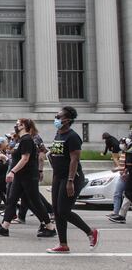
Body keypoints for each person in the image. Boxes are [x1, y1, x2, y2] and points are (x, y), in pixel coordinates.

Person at [0, 118, 56, 238]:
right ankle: (4, 227)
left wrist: (13, 172)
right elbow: (14, 156)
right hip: (20, 177)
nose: (16, 126)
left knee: (35, 201)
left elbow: (25, 159)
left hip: (28, 176)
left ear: (25, 126)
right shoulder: (20, 140)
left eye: (18, 124)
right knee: (11, 200)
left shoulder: (27, 140)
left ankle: (50, 227)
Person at [46, 106, 99, 253]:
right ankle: (63, 244)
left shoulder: (73, 136)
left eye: (59, 116)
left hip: (71, 178)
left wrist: (70, 181)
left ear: (67, 120)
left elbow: (74, 160)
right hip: (58, 176)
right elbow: (57, 154)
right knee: (56, 211)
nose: (56, 119)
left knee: (64, 210)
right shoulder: (59, 133)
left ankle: (90, 232)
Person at [109, 138, 132, 223]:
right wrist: (126, 171)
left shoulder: (129, 151)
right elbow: (127, 166)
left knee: (127, 194)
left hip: (129, 177)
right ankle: (121, 215)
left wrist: (127, 172)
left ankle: (121, 216)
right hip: (128, 176)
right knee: (127, 195)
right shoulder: (127, 151)